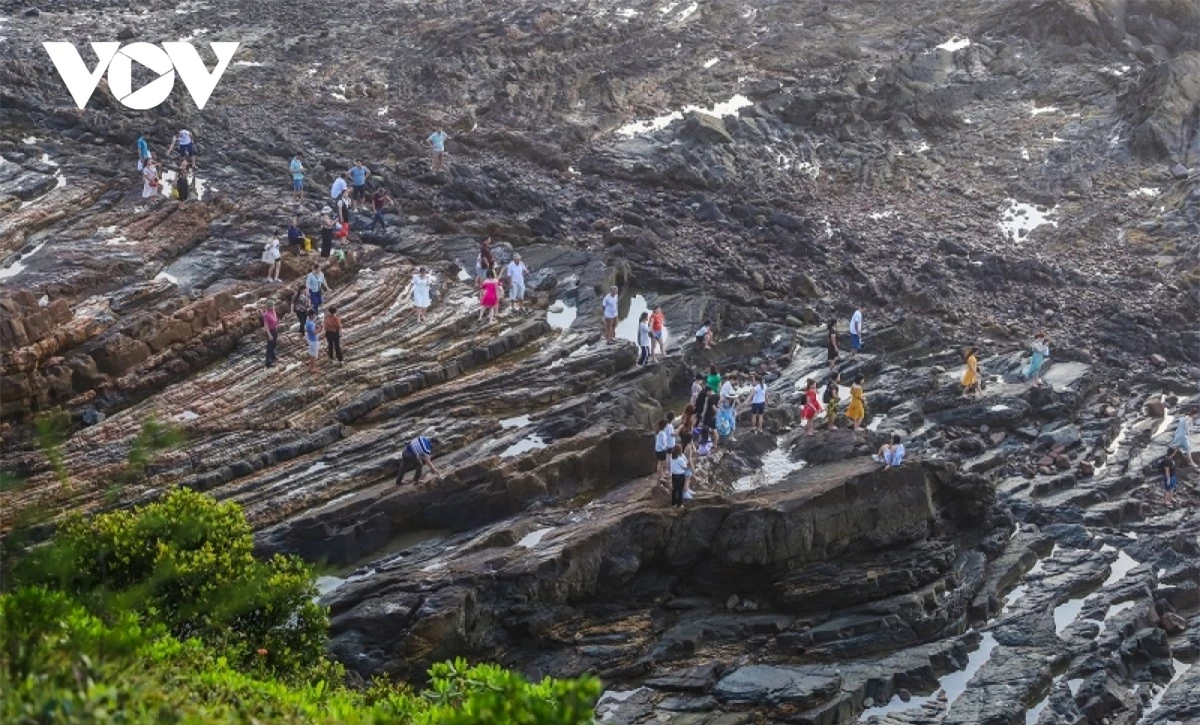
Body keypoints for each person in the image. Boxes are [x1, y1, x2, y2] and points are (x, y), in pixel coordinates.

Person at [654, 416, 676, 484]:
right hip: (661, 450)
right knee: (662, 464)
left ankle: (661, 475)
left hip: (657, 450)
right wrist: (667, 447)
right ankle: (661, 476)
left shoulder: (658, 431)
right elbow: (664, 442)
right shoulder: (662, 433)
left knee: (659, 463)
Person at [304, 310, 321, 374]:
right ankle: (313, 368)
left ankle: (312, 367)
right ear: (311, 315)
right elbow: (314, 332)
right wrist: (320, 329)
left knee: (311, 354)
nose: (315, 316)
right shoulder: (310, 323)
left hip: (310, 340)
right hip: (313, 341)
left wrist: (316, 326)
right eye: (314, 315)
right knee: (313, 355)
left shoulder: (309, 321)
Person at [263, 301, 280, 367]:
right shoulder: (266, 315)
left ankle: (273, 356)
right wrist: (269, 335)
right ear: (268, 307)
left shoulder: (274, 312)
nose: (272, 307)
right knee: (269, 347)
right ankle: (268, 362)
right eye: (270, 306)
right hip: (270, 331)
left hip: (275, 330)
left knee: (274, 344)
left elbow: (275, 320)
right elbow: (266, 325)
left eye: (272, 306)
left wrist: (277, 325)